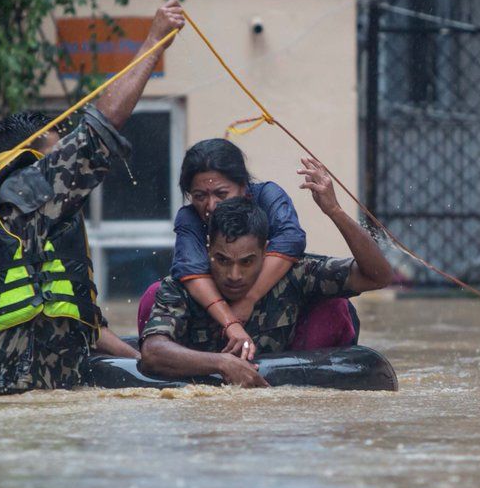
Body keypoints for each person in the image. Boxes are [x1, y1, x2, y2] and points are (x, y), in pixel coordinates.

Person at [0, 0, 184, 396]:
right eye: (56, 151)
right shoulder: (17, 192)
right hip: (18, 388)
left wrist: (143, 364)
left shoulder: (20, 206)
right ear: (30, 154)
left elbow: (78, 322)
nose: (63, 161)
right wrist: (153, 42)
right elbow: (99, 132)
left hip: (35, 384)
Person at [139, 158, 394, 387]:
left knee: (336, 305)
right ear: (207, 252)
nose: (234, 275)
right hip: (206, 386)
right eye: (222, 260)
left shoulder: (294, 273)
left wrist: (335, 212)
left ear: (266, 252)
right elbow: (153, 352)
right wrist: (221, 363)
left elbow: (378, 276)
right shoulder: (183, 287)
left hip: (291, 390)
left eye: (247, 262)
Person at [136, 138, 359, 359]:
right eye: (200, 196)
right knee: (153, 295)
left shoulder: (267, 195)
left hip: (275, 300)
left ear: (244, 189)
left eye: (221, 194)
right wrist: (230, 321)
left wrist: (248, 299)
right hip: (220, 308)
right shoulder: (189, 217)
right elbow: (189, 269)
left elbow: (291, 240)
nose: (211, 206)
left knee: (335, 303)